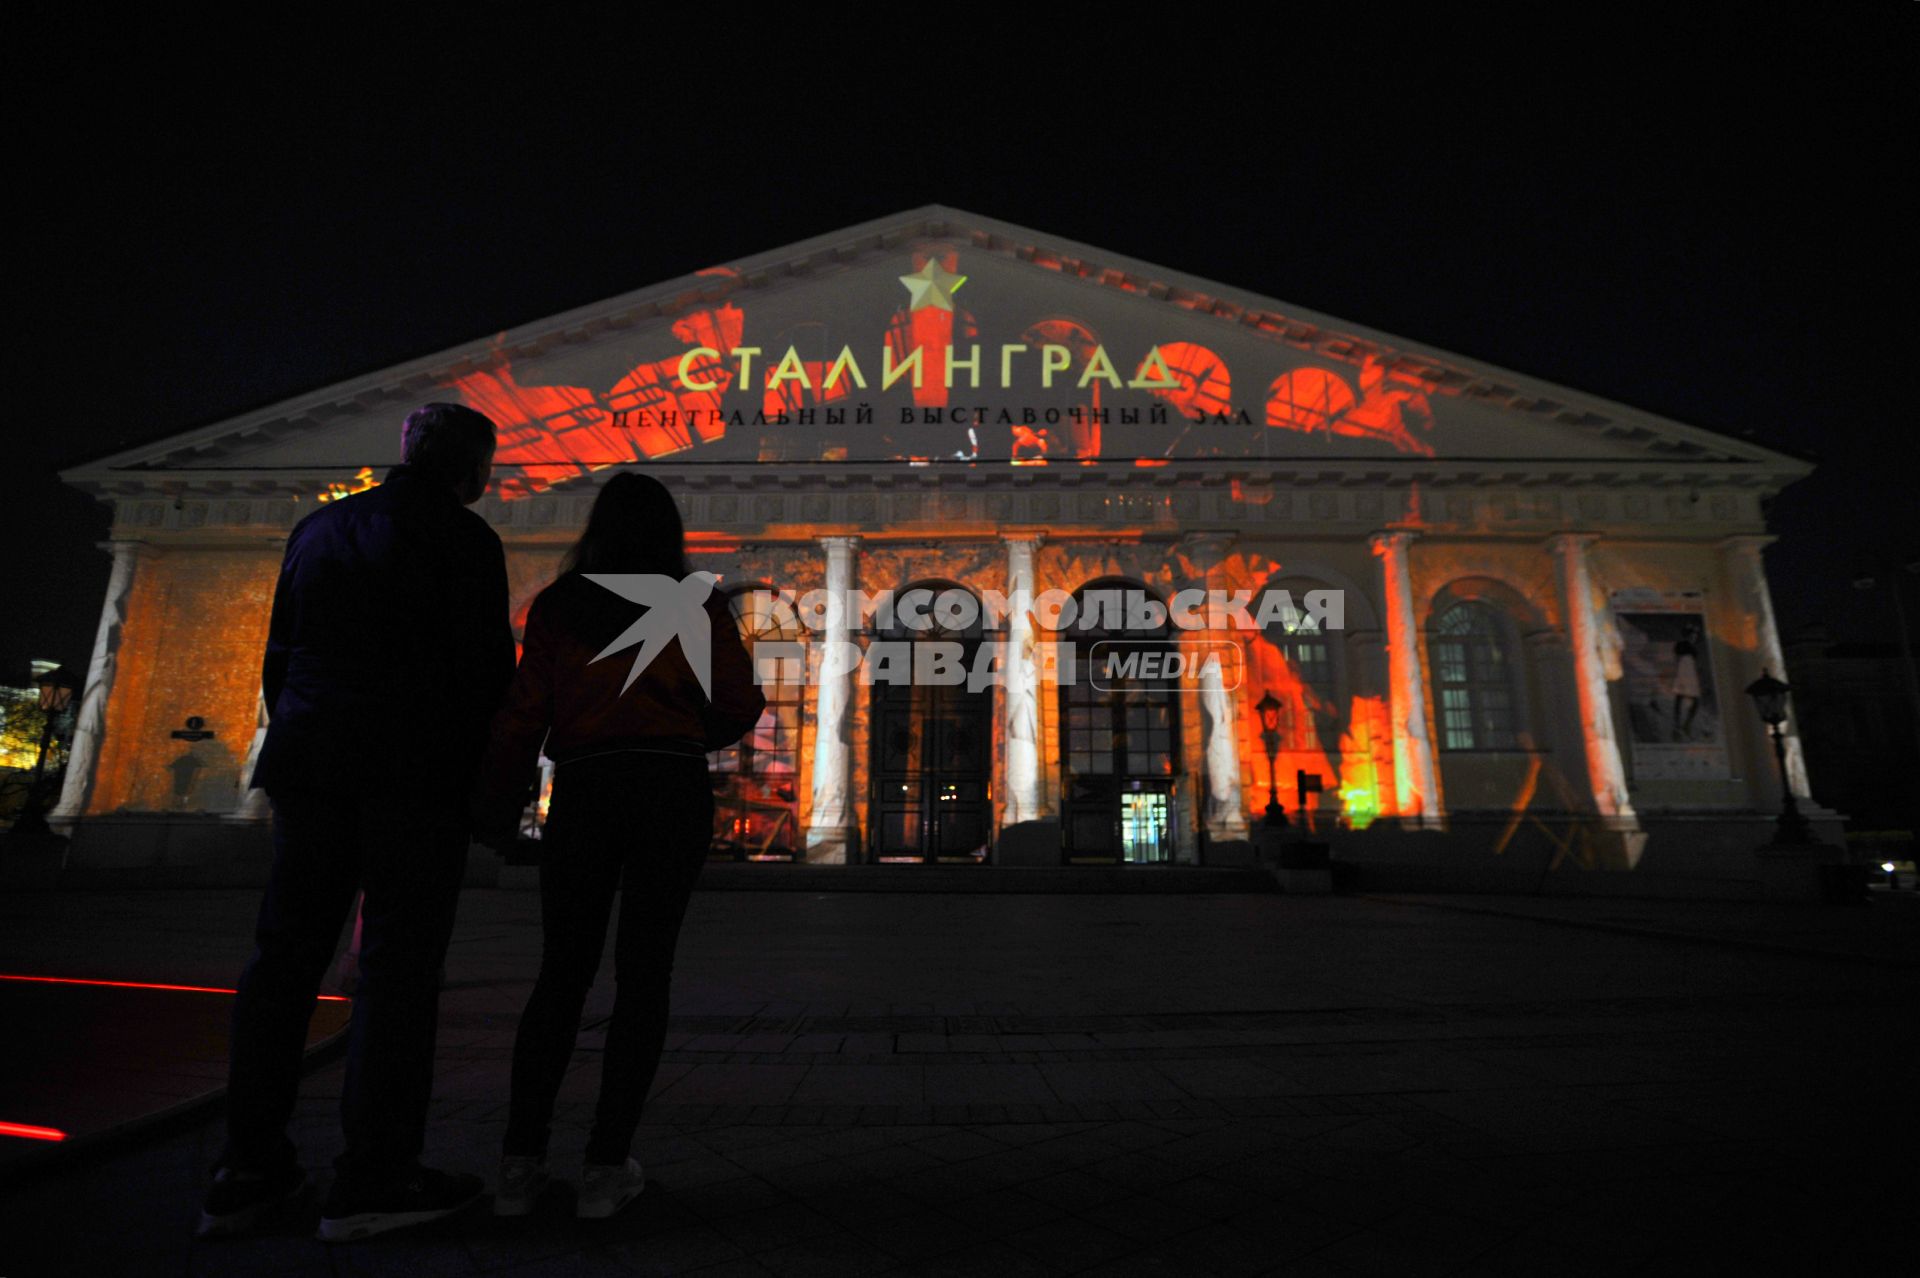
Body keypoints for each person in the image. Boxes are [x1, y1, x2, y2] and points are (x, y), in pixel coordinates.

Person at [197, 403, 515, 1243]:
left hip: (312, 772)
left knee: (282, 967)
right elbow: (488, 676)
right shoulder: (465, 538)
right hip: (412, 781)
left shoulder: (320, 529)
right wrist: (487, 786)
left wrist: (303, 743)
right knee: (397, 974)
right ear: (473, 470)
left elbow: (279, 655)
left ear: (407, 453)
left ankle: (246, 1173)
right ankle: (375, 1176)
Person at [471, 471, 764, 1221]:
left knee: (561, 974)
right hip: (669, 790)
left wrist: (498, 807)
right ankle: (605, 1170)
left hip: (587, 789)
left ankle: (518, 1165)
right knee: (644, 974)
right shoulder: (694, 600)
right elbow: (738, 701)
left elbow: (521, 713)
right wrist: (689, 736)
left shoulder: (561, 605)